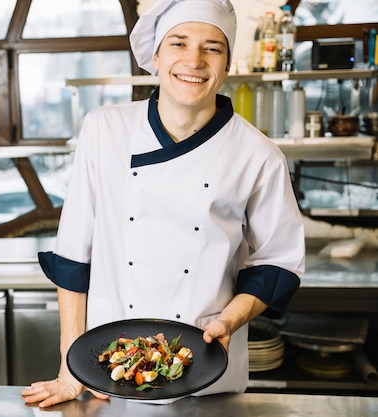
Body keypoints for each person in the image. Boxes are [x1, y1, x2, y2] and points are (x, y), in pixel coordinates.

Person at [21, 0, 305, 407]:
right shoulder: (104, 129)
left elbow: (277, 262)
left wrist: (230, 320)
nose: (194, 60)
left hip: (208, 371)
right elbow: (73, 256)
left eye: (213, 47)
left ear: (226, 66)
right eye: (178, 43)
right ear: (155, 56)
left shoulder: (258, 154)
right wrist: (71, 367)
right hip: (107, 374)